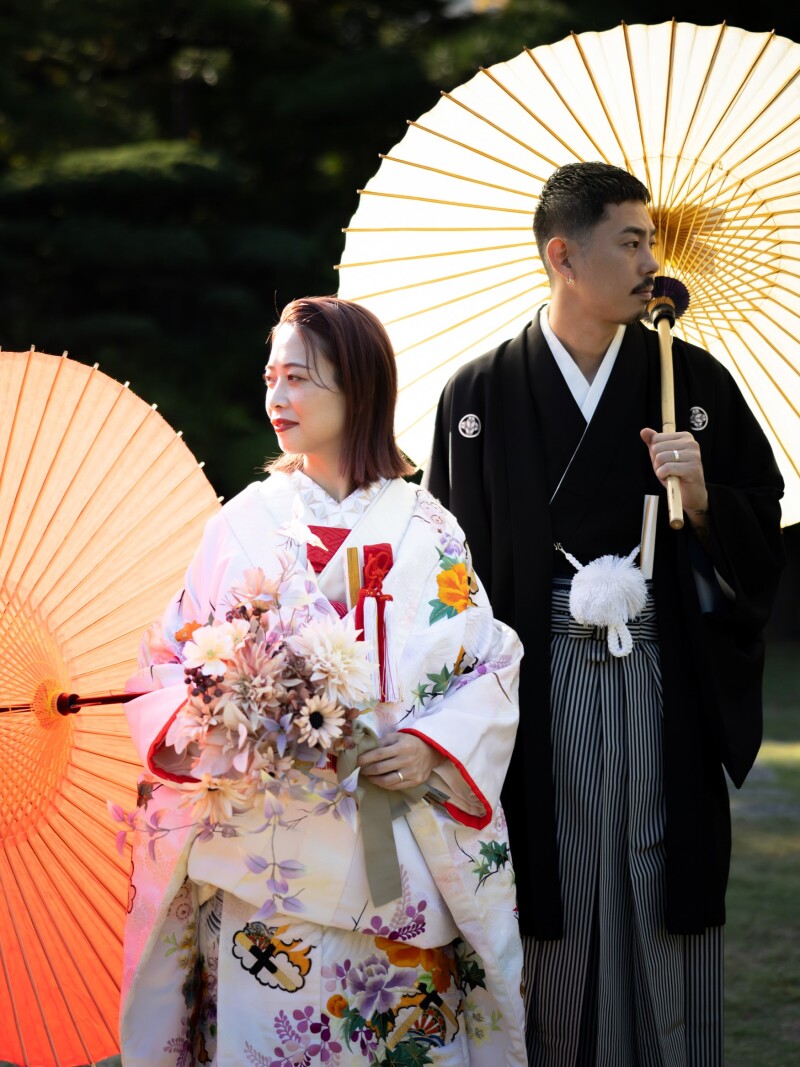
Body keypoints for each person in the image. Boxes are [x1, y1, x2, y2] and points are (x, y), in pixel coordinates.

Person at [424, 162, 785, 1066]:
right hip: (534, 680)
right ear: (563, 255)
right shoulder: (476, 395)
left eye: (649, 242)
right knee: (557, 878)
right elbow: (447, 573)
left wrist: (702, 499)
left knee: (665, 866)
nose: (649, 261)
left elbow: (760, 530)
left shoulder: (691, 380)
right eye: (630, 241)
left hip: (663, 671)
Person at [119, 295, 526, 1066]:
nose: (276, 396)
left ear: (360, 387)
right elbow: (166, 667)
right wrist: (227, 714)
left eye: (299, 377)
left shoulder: (429, 528)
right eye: (270, 376)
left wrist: (432, 747)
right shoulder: (240, 524)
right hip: (269, 864)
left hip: (397, 864)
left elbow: (490, 663)